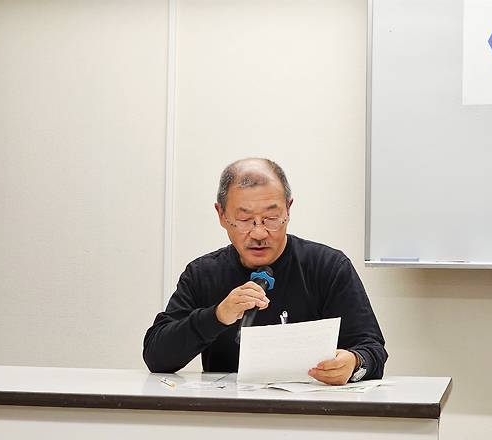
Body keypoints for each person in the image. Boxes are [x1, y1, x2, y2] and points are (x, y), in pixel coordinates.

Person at [143, 158, 387, 385]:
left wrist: (354, 363)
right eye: (244, 220)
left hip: (312, 410)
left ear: (288, 210)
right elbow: (156, 357)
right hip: (229, 409)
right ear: (221, 215)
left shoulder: (328, 267)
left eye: (271, 218)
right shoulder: (203, 274)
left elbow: (372, 349)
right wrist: (217, 316)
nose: (259, 233)